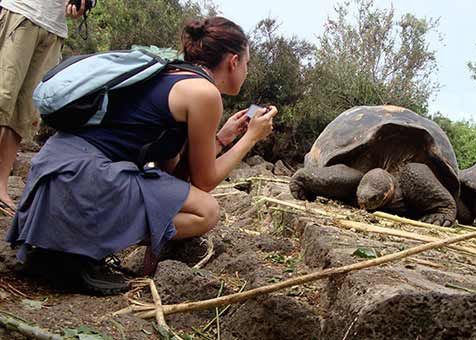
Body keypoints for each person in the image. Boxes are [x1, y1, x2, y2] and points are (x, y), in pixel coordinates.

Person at [6, 16, 278, 295]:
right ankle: (72, 255)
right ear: (233, 61)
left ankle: (71, 247)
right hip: (79, 179)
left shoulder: (172, 74)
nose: (246, 70)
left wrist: (222, 139)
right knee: (206, 212)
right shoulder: (205, 93)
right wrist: (250, 138)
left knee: (191, 204)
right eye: (246, 63)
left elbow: (174, 181)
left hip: (58, 171)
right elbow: (205, 182)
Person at [0, 0, 86, 216]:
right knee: (3, 95)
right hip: (22, 10)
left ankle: (1, 186)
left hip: (54, 26)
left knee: (26, 110)